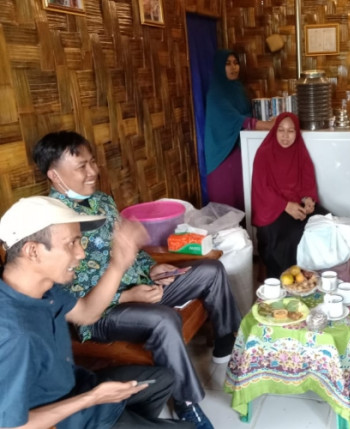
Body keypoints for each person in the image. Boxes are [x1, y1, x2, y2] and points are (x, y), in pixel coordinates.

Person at [33, 131, 243, 429]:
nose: (92, 171)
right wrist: (127, 296)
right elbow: (68, 294)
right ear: (54, 175)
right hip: (101, 313)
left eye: (92, 162)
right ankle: (186, 404)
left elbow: (129, 249)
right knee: (163, 320)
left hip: (142, 287)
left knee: (211, 270)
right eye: (81, 166)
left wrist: (152, 268)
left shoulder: (102, 201)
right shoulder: (51, 223)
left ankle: (225, 344)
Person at [0, 196, 194, 428]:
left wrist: (118, 264)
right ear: (33, 251)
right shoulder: (14, 333)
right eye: (71, 243)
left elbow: (86, 314)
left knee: (163, 380)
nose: (81, 253)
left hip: (78, 385)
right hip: (69, 418)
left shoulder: (43, 288)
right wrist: (92, 398)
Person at [251, 112, 329, 278]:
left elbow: (307, 181)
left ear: (297, 132)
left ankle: (321, 277)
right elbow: (261, 188)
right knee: (288, 238)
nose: (285, 136)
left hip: (297, 204)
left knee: (329, 224)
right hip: (272, 209)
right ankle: (288, 281)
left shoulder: (300, 151)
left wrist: (308, 199)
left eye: (291, 131)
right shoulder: (264, 153)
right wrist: (285, 205)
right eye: (281, 130)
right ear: (275, 131)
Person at [204, 50, 274, 211]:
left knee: (243, 199)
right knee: (226, 202)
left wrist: (267, 122)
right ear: (220, 67)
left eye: (236, 63)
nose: (233, 67)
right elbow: (237, 119)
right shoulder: (215, 94)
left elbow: (247, 114)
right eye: (227, 64)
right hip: (223, 155)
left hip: (240, 151)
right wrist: (268, 126)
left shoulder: (238, 89)